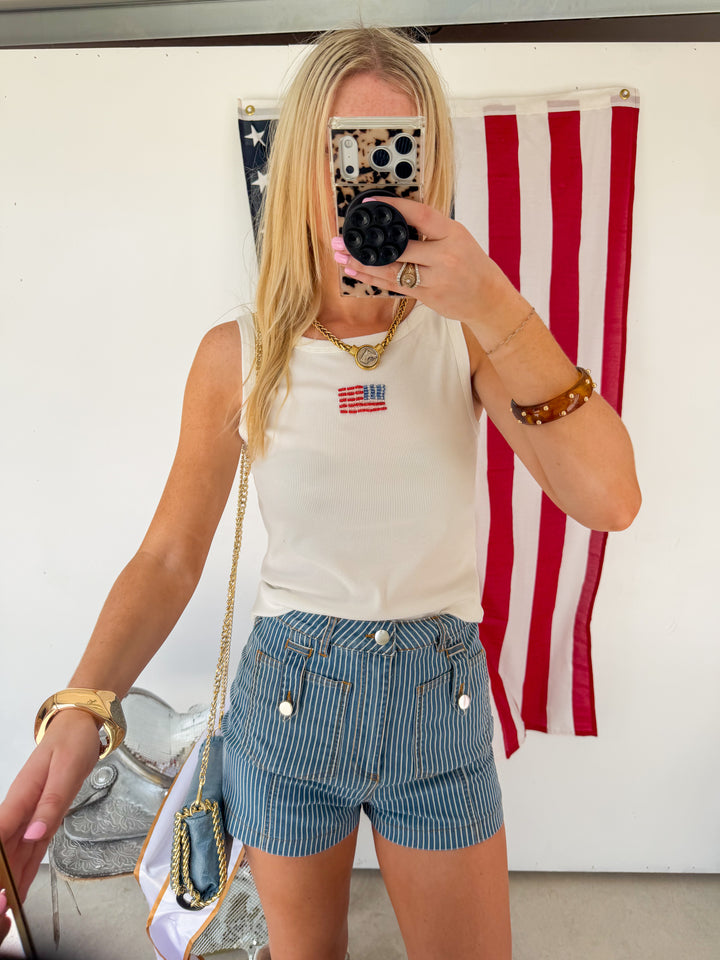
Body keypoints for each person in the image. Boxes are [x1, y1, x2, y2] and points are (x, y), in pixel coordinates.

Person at [0, 25, 640, 960]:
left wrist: (495, 304)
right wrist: (80, 707)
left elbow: (610, 499)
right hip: (289, 699)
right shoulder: (238, 355)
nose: (370, 188)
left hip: (439, 703)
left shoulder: (468, 336)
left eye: (396, 158)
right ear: (300, 165)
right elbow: (172, 554)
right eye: (344, 155)